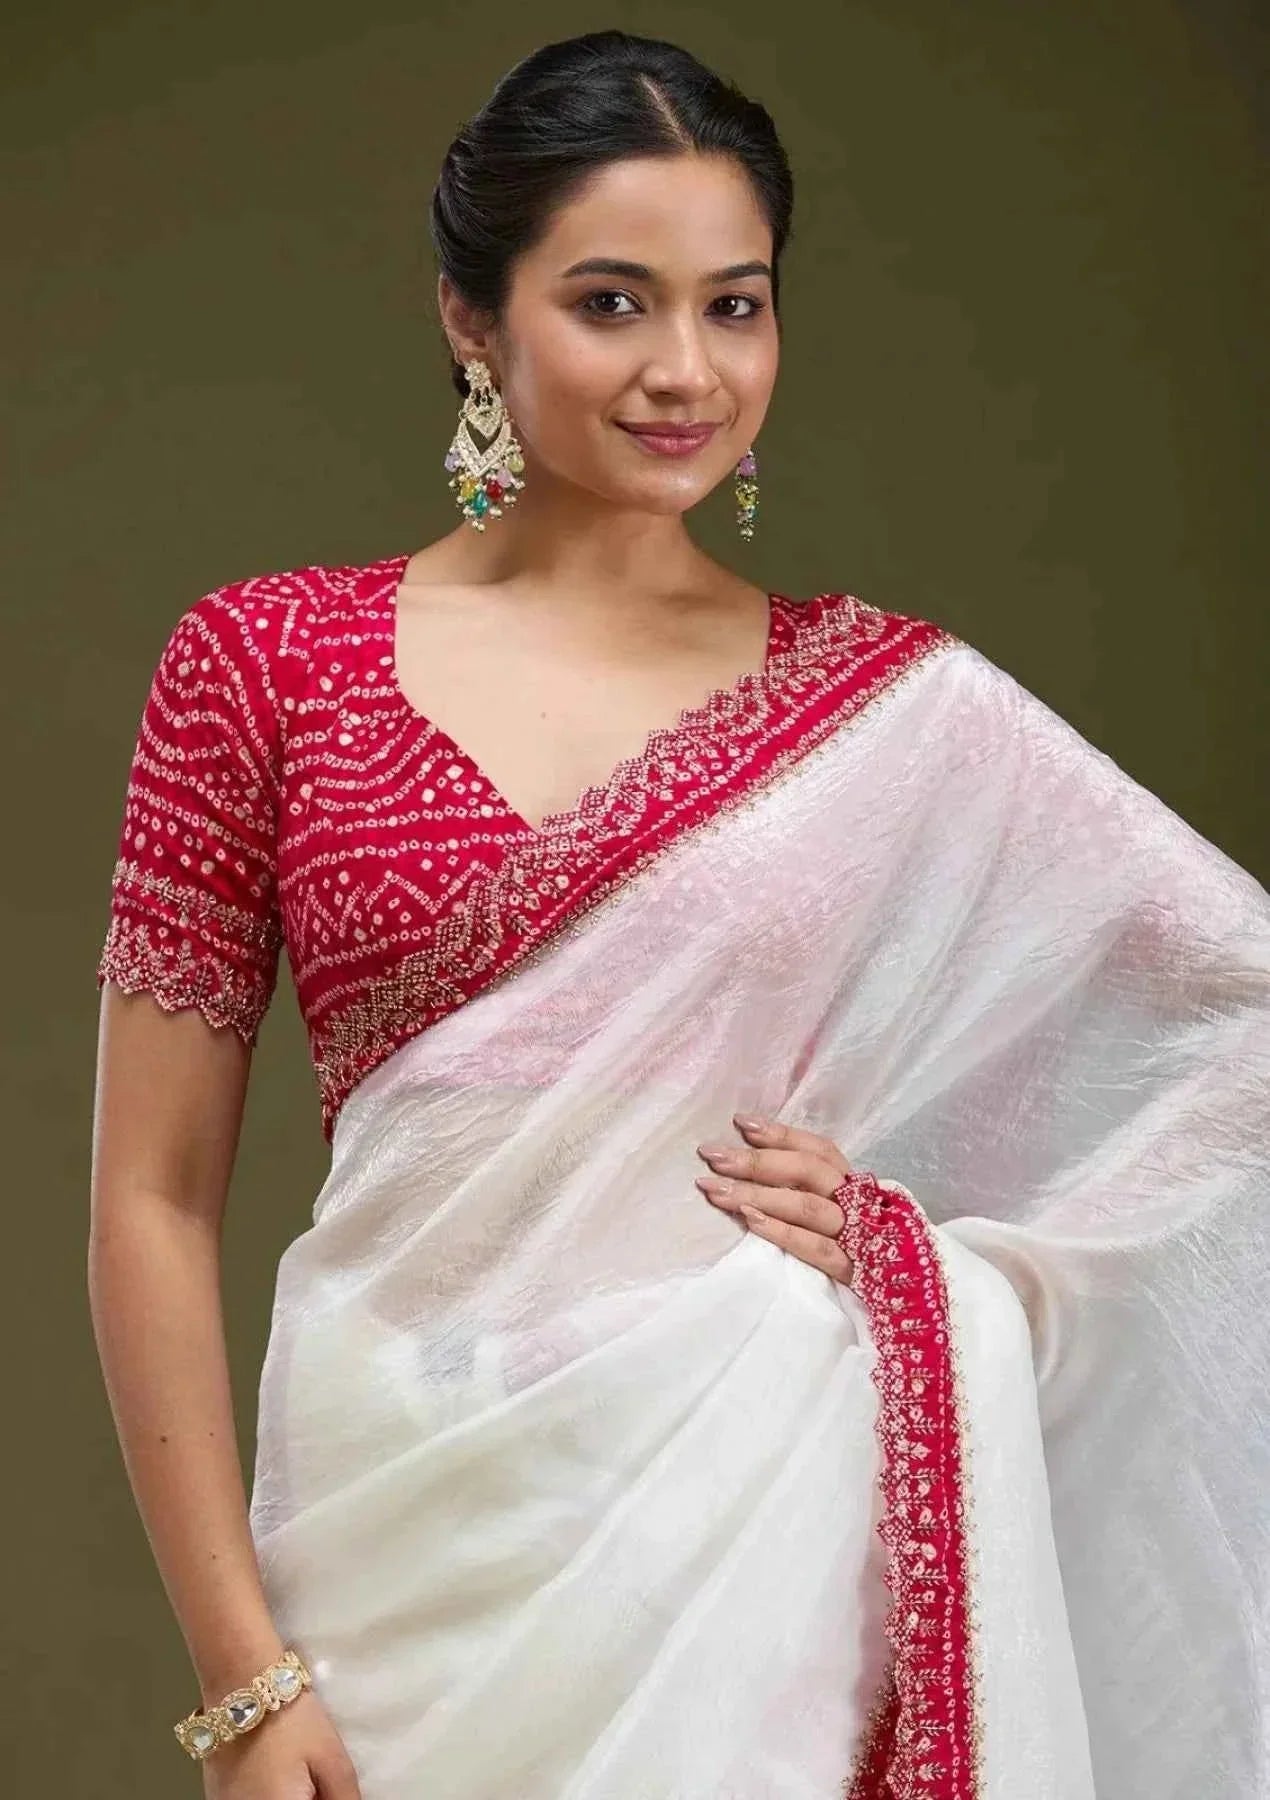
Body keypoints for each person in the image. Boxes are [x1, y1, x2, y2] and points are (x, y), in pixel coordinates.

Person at [87, 28, 1270, 1800]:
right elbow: (151, 1197)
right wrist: (242, 1683)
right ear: (470, 318)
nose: (684, 372)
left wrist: (916, 1258)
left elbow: (1235, 1025)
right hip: (393, 1522)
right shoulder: (264, 664)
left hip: (744, 1524)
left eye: (735, 306)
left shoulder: (887, 706)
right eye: (610, 303)